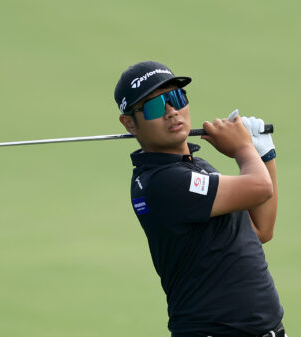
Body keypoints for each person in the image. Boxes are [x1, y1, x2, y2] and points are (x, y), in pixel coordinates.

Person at [114, 61, 287, 337]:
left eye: (176, 98)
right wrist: (244, 147)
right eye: (154, 106)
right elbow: (259, 187)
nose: (171, 112)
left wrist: (264, 154)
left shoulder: (196, 167)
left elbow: (260, 230)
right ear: (129, 123)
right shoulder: (162, 182)